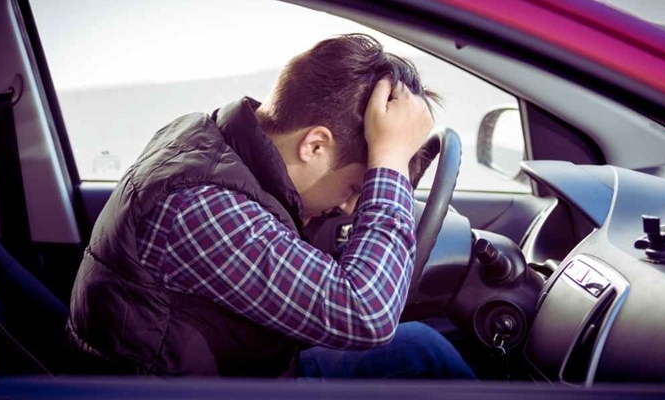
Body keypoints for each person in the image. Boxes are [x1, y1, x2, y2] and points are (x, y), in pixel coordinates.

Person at [67, 33, 475, 379]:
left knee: (421, 346)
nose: (353, 208)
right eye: (356, 186)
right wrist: (389, 163)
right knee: (421, 352)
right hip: (190, 389)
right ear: (314, 146)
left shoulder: (212, 140)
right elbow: (368, 315)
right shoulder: (199, 205)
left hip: (239, 367)